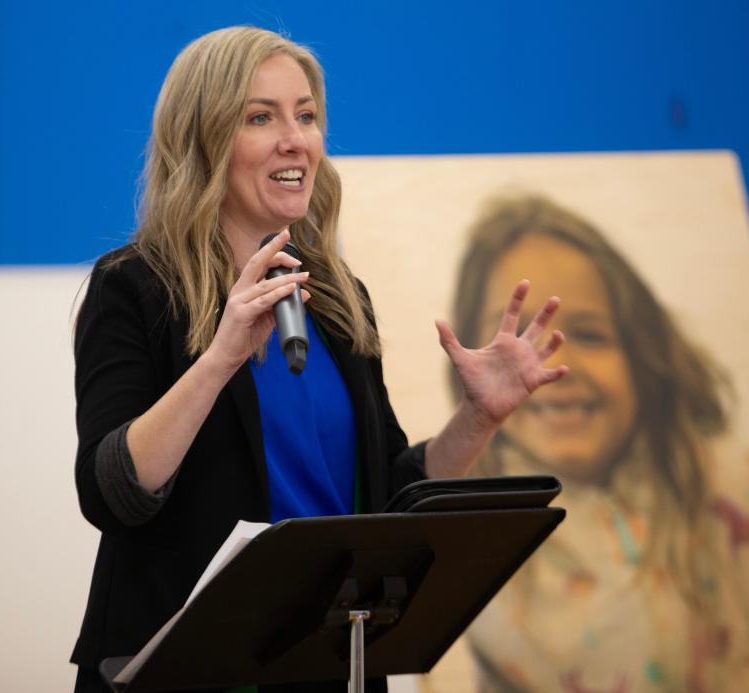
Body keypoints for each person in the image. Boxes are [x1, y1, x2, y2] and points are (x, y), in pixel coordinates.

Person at [71, 28, 567, 692]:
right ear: (204, 138)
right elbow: (113, 491)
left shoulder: (334, 298)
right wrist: (220, 357)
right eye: (261, 116)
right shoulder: (134, 288)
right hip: (184, 672)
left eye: (306, 115)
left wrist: (477, 418)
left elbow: (390, 494)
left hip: (328, 664)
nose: (295, 139)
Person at [442, 195, 749, 692]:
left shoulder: (741, 483)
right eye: (519, 342)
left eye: (590, 335)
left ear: (644, 354)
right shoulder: (476, 538)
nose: (547, 368)